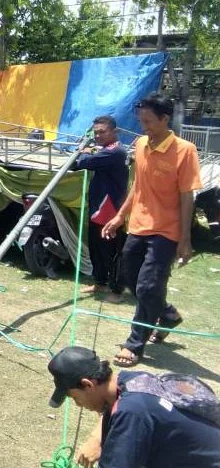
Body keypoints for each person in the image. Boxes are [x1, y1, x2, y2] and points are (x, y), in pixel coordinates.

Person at [102, 94, 202, 367]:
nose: (143, 125)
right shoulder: (141, 143)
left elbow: (186, 197)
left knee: (148, 286)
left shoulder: (185, 150)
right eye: (140, 120)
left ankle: (135, 343)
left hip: (166, 231)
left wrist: (185, 239)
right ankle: (167, 314)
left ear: (164, 118)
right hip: (138, 226)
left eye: (148, 121)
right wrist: (119, 216)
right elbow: (138, 186)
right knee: (134, 281)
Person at [47, 346, 220, 468]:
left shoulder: (130, 413)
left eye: (75, 398)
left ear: (88, 385)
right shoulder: (131, 379)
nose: (78, 405)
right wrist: (97, 438)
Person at [75, 116, 128, 303]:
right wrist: (90, 152)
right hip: (98, 209)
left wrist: (85, 152)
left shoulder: (115, 152)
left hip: (110, 211)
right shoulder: (105, 151)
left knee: (111, 253)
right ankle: (100, 282)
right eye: (96, 132)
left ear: (114, 132)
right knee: (96, 249)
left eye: (102, 132)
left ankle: (116, 290)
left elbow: (81, 163)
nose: (98, 135)